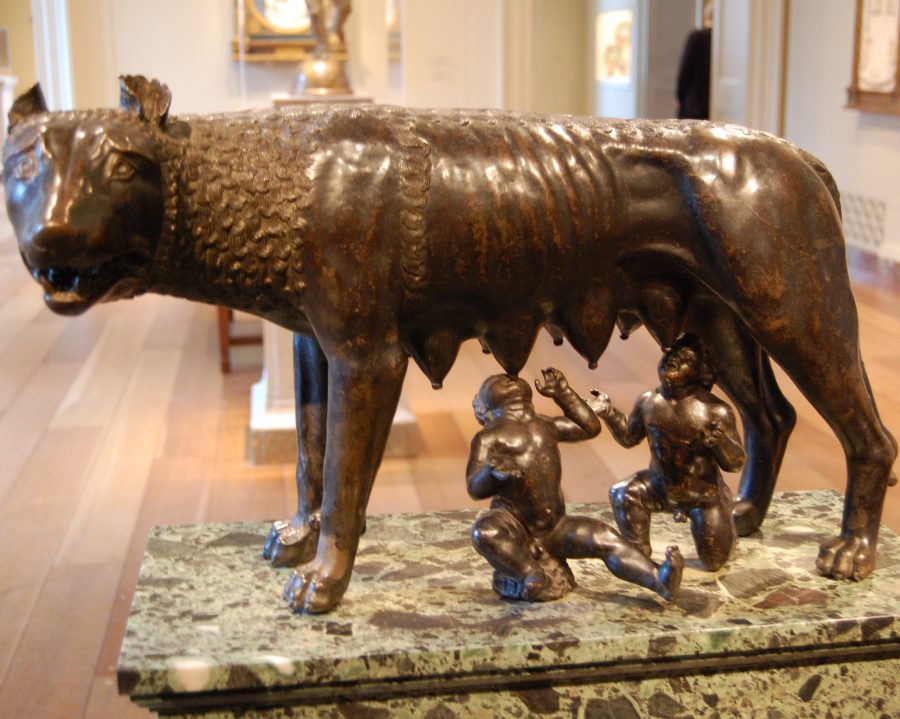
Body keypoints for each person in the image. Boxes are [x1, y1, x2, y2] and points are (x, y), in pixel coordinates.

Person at [466, 369, 683, 603]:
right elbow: (474, 488)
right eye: (498, 382)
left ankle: (658, 578)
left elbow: (589, 427)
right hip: (513, 525)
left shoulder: (544, 425)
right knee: (485, 532)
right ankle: (529, 573)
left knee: (604, 537)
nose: (507, 379)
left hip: (555, 526)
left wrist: (564, 394)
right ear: (485, 407)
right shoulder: (487, 438)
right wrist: (490, 472)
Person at [596, 334, 745, 571]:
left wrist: (721, 443)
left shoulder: (715, 410)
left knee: (715, 561)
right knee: (623, 493)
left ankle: (724, 517)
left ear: (704, 372)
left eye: (685, 358)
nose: (673, 360)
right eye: (670, 355)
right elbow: (628, 437)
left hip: (703, 496)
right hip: (659, 487)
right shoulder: (648, 401)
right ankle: (637, 549)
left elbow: (735, 463)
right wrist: (609, 413)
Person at [675, 2, 713, 119]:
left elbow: (685, 70)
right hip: (710, 100)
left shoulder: (697, 37)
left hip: (694, 101)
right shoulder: (728, 40)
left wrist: (679, 96)